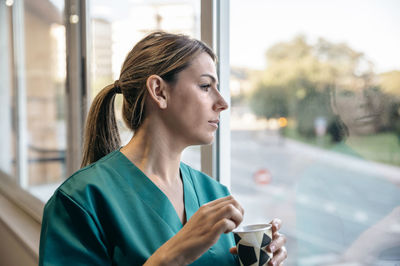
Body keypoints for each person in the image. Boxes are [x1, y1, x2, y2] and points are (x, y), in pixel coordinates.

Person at [39, 31, 287, 265]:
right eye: (205, 86)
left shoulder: (215, 194)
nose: (222, 103)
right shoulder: (80, 201)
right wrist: (172, 255)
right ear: (159, 91)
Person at [296, 82, 400, 265]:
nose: (363, 102)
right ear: (333, 105)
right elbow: (319, 261)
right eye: (347, 93)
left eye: (373, 89)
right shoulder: (320, 176)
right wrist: (378, 237)